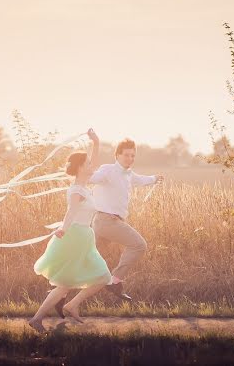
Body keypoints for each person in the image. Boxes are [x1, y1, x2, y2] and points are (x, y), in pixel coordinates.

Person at [28, 129, 111, 333]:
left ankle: (69, 306)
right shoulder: (76, 190)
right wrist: (63, 229)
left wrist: (96, 142)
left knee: (100, 276)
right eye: (88, 164)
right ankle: (38, 318)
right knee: (68, 283)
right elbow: (71, 211)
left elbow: (95, 160)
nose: (92, 166)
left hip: (84, 238)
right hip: (74, 237)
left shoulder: (84, 185)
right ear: (81, 168)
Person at [90, 138, 164, 301]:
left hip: (105, 224)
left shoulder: (128, 174)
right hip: (107, 222)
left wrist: (154, 178)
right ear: (117, 155)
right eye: (126, 155)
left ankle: (60, 291)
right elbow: (92, 178)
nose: (130, 159)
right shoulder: (108, 170)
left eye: (133, 156)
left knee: (88, 259)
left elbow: (141, 179)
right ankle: (115, 281)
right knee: (139, 245)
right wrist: (95, 146)